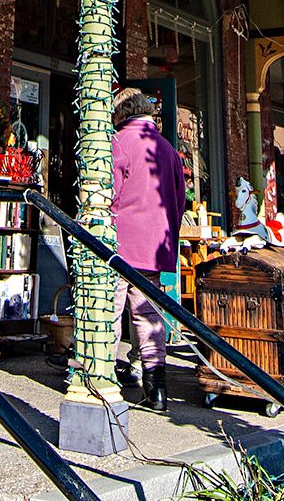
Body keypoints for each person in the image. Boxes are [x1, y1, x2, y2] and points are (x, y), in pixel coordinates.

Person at [110, 88, 184, 410]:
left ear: (121, 113)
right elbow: (180, 201)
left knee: (109, 311)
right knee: (148, 314)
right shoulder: (168, 150)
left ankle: (100, 378)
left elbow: (107, 194)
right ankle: (156, 391)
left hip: (119, 242)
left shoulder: (119, 143)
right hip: (155, 246)